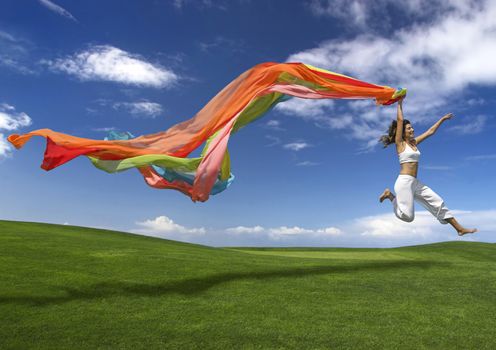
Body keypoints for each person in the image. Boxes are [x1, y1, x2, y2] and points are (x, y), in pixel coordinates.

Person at [378, 97, 477, 236]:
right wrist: (400, 102)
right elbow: (400, 120)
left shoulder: (414, 143)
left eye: (412, 127)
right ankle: (390, 196)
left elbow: (430, 131)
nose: (412, 129)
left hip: (415, 182)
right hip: (404, 182)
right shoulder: (400, 144)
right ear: (402, 132)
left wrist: (442, 119)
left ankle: (459, 229)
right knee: (408, 217)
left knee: (437, 201)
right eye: (408, 128)